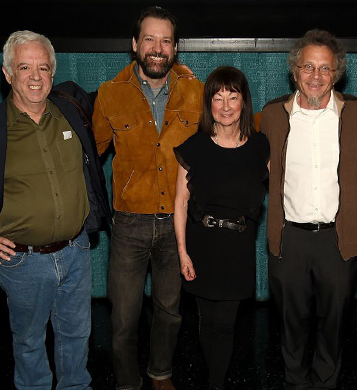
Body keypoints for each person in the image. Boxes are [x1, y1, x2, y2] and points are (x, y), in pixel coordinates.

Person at [0, 30, 110, 390]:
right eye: (24, 66)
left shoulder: (72, 113)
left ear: (52, 73)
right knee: (29, 343)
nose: (35, 76)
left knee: (77, 335)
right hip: (23, 262)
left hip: (77, 251)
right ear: (7, 73)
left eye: (43, 68)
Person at [92, 6, 204, 390]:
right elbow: (91, 155)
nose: (158, 48)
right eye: (150, 39)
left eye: (166, 41)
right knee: (123, 316)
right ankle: (126, 381)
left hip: (177, 224)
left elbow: (224, 137)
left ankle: (161, 374)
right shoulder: (109, 95)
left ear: (176, 48)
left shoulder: (196, 91)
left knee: (169, 311)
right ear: (135, 44)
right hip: (128, 224)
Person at [259, 29, 357, 389]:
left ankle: (326, 383)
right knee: (291, 324)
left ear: (336, 73)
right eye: (308, 66)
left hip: (338, 241)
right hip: (288, 238)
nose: (316, 76)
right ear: (295, 71)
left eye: (325, 68)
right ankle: (295, 382)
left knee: (334, 323)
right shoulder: (273, 115)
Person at [173, 66, 269, 390]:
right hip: (202, 246)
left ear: (244, 102)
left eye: (233, 97)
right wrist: (183, 253)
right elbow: (180, 204)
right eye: (218, 97)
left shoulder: (260, 147)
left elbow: (284, 188)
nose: (225, 106)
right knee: (206, 321)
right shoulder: (194, 148)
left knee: (226, 323)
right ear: (208, 103)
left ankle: (215, 385)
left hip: (237, 250)